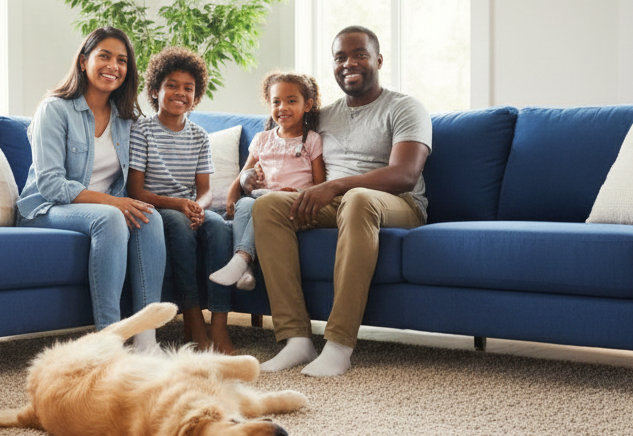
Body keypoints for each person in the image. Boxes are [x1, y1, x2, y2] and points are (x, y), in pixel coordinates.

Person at [253, 26, 431, 377]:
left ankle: (338, 344)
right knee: (268, 206)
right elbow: (277, 135)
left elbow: (405, 174)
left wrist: (335, 187)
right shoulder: (323, 115)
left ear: (378, 60)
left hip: (398, 204)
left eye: (359, 54)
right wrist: (252, 177)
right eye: (340, 57)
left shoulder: (405, 107)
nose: (349, 63)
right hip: (340, 204)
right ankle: (296, 339)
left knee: (359, 199)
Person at [16, 26, 166, 352]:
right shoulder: (55, 110)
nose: (114, 66)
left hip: (100, 208)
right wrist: (114, 203)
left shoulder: (126, 119)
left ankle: (146, 340)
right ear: (84, 62)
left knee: (150, 217)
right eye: (105, 56)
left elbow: (140, 175)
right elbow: (51, 183)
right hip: (46, 208)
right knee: (112, 217)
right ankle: (108, 342)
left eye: (122, 60)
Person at [127, 47, 234, 353]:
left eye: (189, 88)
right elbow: (136, 191)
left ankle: (220, 325)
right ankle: (193, 318)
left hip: (189, 206)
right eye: (171, 85)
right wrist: (178, 205)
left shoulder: (199, 135)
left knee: (219, 229)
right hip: (159, 207)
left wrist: (199, 205)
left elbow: (205, 190)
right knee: (181, 226)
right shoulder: (142, 130)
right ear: (155, 90)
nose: (180, 93)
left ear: (196, 96)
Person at [209, 71, 324, 294]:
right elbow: (244, 172)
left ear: (307, 105)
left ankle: (241, 259)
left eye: (291, 101)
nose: (283, 107)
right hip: (262, 197)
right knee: (246, 204)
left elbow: (320, 184)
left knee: (263, 204)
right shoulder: (263, 139)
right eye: (276, 101)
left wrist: (298, 193)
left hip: (292, 201)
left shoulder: (311, 140)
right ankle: (246, 270)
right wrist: (234, 193)